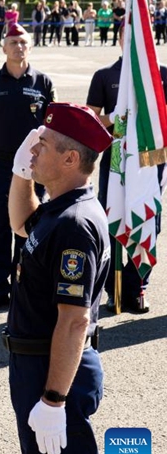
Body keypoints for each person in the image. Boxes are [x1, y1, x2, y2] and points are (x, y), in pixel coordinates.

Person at [4, 102, 113, 454]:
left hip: (52, 370)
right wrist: (22, 173)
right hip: (38, 365)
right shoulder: (59, 209)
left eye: (43, 145)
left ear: (69, 159)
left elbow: (74, 320)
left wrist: (53, 400)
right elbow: (21, 224)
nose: (33, 149)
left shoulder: (74, 225)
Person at [0, 23, 56, 310]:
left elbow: (53, 130)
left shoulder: (43, 83)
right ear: (3, 47)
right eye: (13, 41)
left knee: (30, 228)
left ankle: (23, 287)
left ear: (31, 46)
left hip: (34, 166)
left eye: (23, 41)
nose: (18, 46)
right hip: (1, 165)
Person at [85, 26, 167, 313]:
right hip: (117, 158)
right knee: (112, 217)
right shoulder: (104, 76)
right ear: (120, 40)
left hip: (150, 158)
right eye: (127, 36)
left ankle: (137, 288)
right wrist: (115, 118)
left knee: (146, 218)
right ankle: (113, 289)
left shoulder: (161, 75)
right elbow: (91, 121)